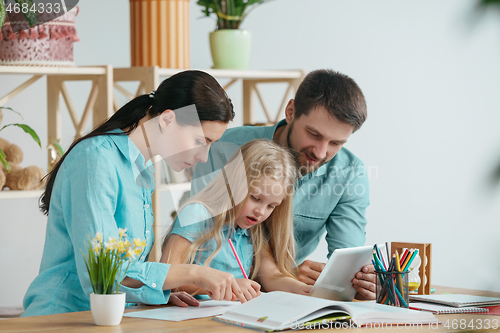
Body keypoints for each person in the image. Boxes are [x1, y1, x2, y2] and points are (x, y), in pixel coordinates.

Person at [22, 70, 247, 317]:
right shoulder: (96, 159)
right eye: (200, 140)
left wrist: (157, 293)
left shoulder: (142, 170)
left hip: (109, 316)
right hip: (62, 317)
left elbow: (124, 271)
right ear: (168, 120)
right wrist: (193, 272)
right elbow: (101, 275)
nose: (204, 156)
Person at [191, 69, 376, 299]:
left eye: (335, 143)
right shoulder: (221, 148)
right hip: (212, 292)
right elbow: (200, 234)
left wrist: (360, 282)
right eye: (314, 134)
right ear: (291, 112)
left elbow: (347, 265)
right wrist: (286, 276)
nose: (320, 153)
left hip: (283, 295)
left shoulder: (350, 173)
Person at [161, 139, 311, 302]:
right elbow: (165, 276)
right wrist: (225, 287)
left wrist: (304, 290)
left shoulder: (253, 228)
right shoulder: (197, 214)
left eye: (271, 206)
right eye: (255, 197)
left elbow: (272, 277)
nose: (260, 211)